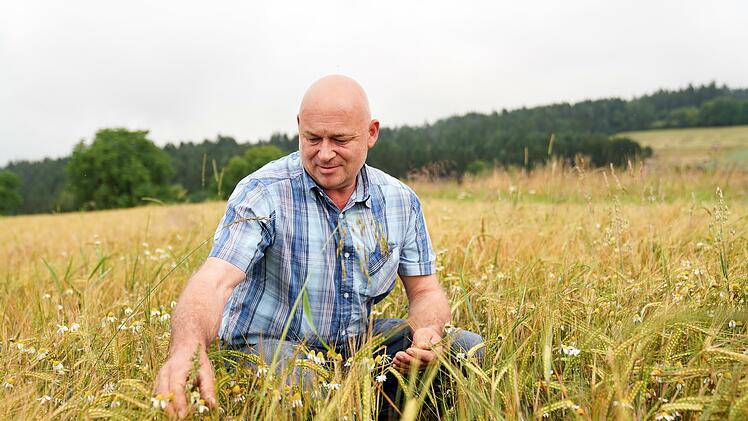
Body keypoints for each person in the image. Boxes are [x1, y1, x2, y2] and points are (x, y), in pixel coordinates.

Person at [153, 75, 483, 418]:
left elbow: (425, 291)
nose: (324, 154)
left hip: (353, 344)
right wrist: (188, 350)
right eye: (312, 138)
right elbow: (214, 280)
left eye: (340, 139)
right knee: (306, 385)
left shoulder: (400, 201)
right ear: (299, 127)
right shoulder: (265, 191)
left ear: (371, 133)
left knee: (466, 351)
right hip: (268, 343)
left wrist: (427, 332)